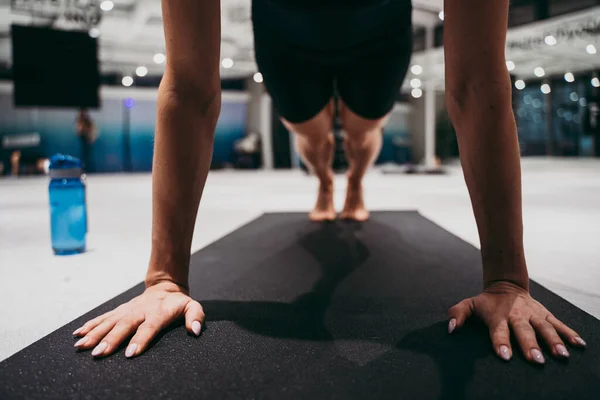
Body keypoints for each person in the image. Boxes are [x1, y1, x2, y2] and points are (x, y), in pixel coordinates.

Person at [72, 0, 586, 365]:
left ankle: (355, 183)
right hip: (284, 26)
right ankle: (323, 181)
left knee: (362, 132)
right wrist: (164, 279)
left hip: (378, 23)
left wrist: (506, 281)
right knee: (313, 136)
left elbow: (477, 83)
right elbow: (189, 85)